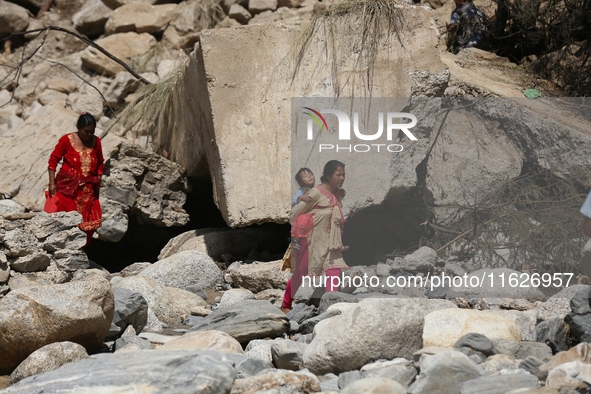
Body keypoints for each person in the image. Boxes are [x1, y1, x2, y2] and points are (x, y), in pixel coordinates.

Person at [281, 160, 349, 313]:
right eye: (338, 175)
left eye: (343, 175)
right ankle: (286, 304)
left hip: (331, 242)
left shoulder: (338, 193)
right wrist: (307, 220)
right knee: (301, 273)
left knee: (334, 271)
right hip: (312, 242)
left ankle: (331, 310)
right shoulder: (316, 192)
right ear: (328, 176)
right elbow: (294, 212)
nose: (342, 178)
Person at [46, 112, 104, 248]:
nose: (89, 135)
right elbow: (53, 161)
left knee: (88, 225)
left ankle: (79, 251)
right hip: (67, 189)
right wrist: (52, 183)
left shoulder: (97, 142)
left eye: (92, 131)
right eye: (86, 131)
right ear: (78, 127)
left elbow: (100, 163)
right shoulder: (67, 140)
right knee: (63, 221)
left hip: (88, 192)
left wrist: (98, 181)